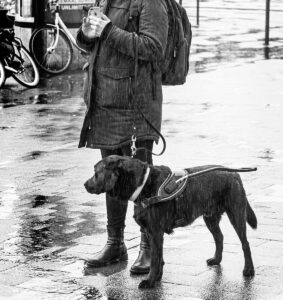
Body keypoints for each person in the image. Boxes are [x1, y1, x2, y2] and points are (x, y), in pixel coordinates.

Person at [76, 0, 168, 274]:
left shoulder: (151, 2)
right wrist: (86, 34)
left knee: (142, 179)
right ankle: (115, 243)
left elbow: (154, 47)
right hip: (105, 102)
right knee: (111, 177)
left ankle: (149, 246)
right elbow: (90, 45)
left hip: (136, 104)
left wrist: (108, 31)